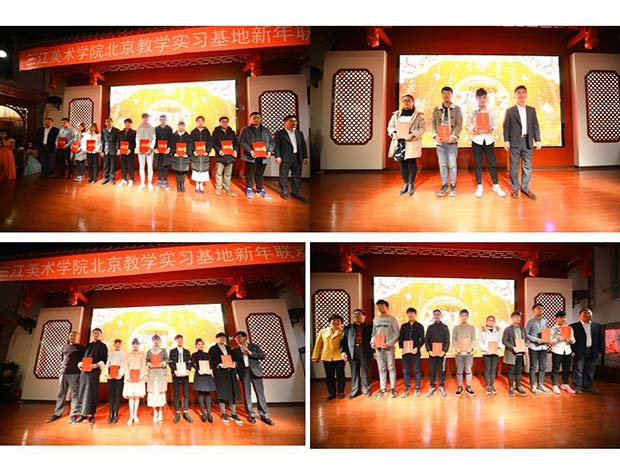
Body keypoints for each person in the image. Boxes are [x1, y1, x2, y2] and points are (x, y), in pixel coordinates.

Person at [503, 85, 542, 200]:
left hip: (527, 141)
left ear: (526, 95)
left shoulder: (531, 110)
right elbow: (506, 127)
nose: (521, 94)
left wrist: (538, 139)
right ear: (514, 95)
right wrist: (506, 140)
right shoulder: (510, 111)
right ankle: (515, 188)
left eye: (523, 92)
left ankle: (525, 188)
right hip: (515, 141)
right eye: (518, 92)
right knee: (514, 166)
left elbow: (535, 125)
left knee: (527, 166)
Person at [465, 88, 505, 197]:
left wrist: (492, 128)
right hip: (476, 140)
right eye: (479, 98)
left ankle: (495, 185)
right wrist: (473, 129)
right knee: (478, 164)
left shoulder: (491, 112)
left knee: (492, 163)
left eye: (484, 97)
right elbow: (467, 125)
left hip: (489, 140)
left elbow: (495, 124)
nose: (482, 100)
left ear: (486, 98)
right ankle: (479, 186)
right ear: (476, 99)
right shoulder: (472, 112)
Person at [387, 94, 426, 196]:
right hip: (400, 141)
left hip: (411, 141)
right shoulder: (396, 115)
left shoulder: (418, 115)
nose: (406, 102)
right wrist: (393, 133)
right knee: (402, 162)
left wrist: (413, 134)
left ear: (413, 102)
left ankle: (411, 184)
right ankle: (405, 183)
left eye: (408, 100)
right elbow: (390, 126)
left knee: (411, 162)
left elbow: (422, 128)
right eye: (404, 101)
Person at [233, 331, 275, 425]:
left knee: (260, 394)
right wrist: (236, 373)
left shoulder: (254, 346)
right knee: (247, 395)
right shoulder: (235, 350)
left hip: (256, 372)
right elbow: (235, 363)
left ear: (245, 337)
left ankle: (264, 415)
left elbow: (262, 356)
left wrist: (250, 352)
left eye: (239, 337)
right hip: (244, 373)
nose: (237, 339)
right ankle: (251, 414)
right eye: (236, 338)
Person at [46, 331, 83, 423]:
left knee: (75, 395)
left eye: (74, 336)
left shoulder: (81, 348)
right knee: (61, 394)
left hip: (75, 374)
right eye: (71, 335)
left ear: (78, 338)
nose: (72, 337)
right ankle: (57, 413)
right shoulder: (65, 346)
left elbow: (83, 361)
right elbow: (63, 359)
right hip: (63, 373)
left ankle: (73, 415)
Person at [431, 86, 462, 197]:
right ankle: (444, 185)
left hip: (452, 141)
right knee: (442, 165)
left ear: (451, 95)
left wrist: (453, 136)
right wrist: (435, 136)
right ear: (441, 95)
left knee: (452, 165)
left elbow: (459, 124)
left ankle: (452, 185)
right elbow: (433, 123)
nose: (446, 95)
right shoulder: (436, 109)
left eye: (448, 93)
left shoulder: (457, 108)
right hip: (440, 142)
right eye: (444, 93)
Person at [74, 328, 108, 424]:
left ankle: (91, 414)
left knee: (92, 392)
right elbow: (82, 358)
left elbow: (104, 360)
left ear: (101, 335)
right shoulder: (87, 345)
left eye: (98, 333)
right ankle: (82, 414)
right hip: (84, 371)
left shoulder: (103, 346)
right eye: (94, 333)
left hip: (94, 372)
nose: (96, 334)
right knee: (82, 391)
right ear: (92, 334)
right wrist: (80, 364)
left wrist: (96, 365)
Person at [208, 332, 243, 425]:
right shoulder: (212, 349)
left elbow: (234, 359)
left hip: (230, 373)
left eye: (224, 338)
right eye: (220, 338)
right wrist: (219, 364)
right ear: (216, 339)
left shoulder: (228, 348)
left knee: (232, 393)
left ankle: (233, 414)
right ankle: (223, 413)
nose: (222, 339)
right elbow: (211, 360)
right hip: (220, 373)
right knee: (221, 393)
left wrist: (235, 363)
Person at [239, 112, 274, 200]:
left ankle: (260, 189)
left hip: (263, 156)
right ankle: (249, 188)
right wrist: (250, 150)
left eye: (258, 117)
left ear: (261, 119)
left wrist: (269, 151)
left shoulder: (266, 130)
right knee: (250, 173)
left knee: (260, 173)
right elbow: (241, 141)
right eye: (254, 118)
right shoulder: (245, 129)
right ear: (250, 119)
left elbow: (272, 142)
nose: (256, 119)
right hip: (250, 155)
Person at [340, 308, 373, 399]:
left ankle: (366, 390)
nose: (356, 316)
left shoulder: (370, 327)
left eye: (359, 314)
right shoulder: (348, 328)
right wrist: (343, 352)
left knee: (365, 371)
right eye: (355, 315)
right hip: (352, 351)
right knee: (354, 372)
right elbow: (343, 341)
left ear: (364, 316)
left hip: (365, 350)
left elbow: (373, 340)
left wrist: (374, 352)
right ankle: (355, 391)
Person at [274, 115, 308, 201]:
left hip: (297, 157)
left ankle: (295, 192)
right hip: (285, 157)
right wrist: (277, 156)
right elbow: (276, 146)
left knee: (297, 176)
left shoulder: (299, 133)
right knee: (283, 176)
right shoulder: (280, 133)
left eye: (295, 121)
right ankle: (284, 191)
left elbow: (303, 146)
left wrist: (305, 157)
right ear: (285, 123)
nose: (294, 123)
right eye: (292, 121)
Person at [570, 308, 604, 394]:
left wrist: (600, 351)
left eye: (589, 313)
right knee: (578, 369)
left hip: (592, 350)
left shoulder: (597, 326)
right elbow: (571, 340)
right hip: (579, 351)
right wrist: (572, 351)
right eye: (585, 314)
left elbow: (601, 340)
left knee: (590, 369)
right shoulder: (573, 326)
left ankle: (588, 386)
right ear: (580, 316)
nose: (587, 315)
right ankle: (578, 387)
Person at [311, 314, 345, 400]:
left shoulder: (343, 331)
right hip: (327, 356)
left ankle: (340, 392)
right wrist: (315, 356)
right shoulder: (323, 331)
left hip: (339, 356)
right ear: (330, 322)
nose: (336, 322)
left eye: (338, 320)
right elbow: (318, 344)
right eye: (334, 320)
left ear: (341, 322)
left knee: (340, 375)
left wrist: (347, 354)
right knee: (329, 376)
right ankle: (331, 393)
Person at [371, 300, 400, 398]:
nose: (380, 307)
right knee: (381, 368)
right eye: (378, 306)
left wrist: (389, 344)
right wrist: (372, 342)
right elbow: (373, 333)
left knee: (391, 367)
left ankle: (393, 388)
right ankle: (383, 388)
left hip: (389, 347)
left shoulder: (392, 319)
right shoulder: (375, 320)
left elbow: (397, 333)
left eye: (382, 305)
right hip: (378, 347)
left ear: (387, 307)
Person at [398, 307, 425, 397]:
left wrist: (417, 348)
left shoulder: (420, 326)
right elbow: (400, 338)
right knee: (406, 370)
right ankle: (406, 388)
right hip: (405, 352)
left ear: (415, 315)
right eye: (409, 313)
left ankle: (417, 388)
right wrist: (401, 348)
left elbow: (422, 339)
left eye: (412, 313)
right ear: (407, 314)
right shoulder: (404, 326)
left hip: (415, 352)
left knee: (417, 370)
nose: (410, 315)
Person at [525, 303, 551, 394]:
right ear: (534, 310)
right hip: (533, 347)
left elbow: (547, 332)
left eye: (542, 309)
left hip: (543, 347)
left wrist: (547, 339)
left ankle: (540, 384)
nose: (540, 310)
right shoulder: (530, 322)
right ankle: (533, 385)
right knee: (533, 367)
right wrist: (536, 340)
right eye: (538, 308)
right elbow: (526, 334)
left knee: (543, 366)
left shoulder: (545, 321)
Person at [425, 309, 450, 397]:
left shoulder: (445, 327)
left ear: (441, 316)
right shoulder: (430, 327)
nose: (436, 316)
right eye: (435, 314)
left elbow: (447, 341)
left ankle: (441, 386)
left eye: (438, 314)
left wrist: (444, 351)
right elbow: (426, 340)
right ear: (433, 316)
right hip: (432, 354)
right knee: (432, 371)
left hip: (442, 354)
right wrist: (429, 351)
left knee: (442, 370)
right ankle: (432, 387)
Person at [190, 338, 216, 423]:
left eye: (202, 344)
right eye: (199, 344)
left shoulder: (207, 354)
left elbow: (211, 363)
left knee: (208, 394)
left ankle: (209, 413)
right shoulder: (194, 355)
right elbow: (192, 364)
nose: (200, 346)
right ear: (196, 346)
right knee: (200, 393)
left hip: (207, 374)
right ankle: (203, 413)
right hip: (199, 374)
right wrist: (198, 369)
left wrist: (209, 368)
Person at [550, 311, 576, 395]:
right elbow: (550, 342)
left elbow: (573, 340)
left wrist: (571, 340)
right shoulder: (553, 329)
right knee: (555, 369)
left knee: (567, 369)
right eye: (561, 318)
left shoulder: (569, 328)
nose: (563, 319)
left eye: (564, 317)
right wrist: (559, 339)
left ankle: (565, 384)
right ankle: (554, 385)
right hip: (557, 350)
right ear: (556, 319)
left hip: (567, 351)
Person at [502, 311, 528, 397]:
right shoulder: (508, 329)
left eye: (519, 317)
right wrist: (513, 347)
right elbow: (504, 341)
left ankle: (518, 386)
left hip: (521, 353)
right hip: (512, 353)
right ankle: (511, 387)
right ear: (512, 318)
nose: (518, 319)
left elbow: (526, 340)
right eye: (516, 317)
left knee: (519, 371)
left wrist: (526, 346)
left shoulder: (523, 329)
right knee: (511, 371)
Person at [168, 334, 193, 423]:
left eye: (181, 339)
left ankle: (185, 412)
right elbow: (170, 362)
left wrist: (188, 370)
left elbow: (189, 362)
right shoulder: (172, 351)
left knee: (186, 393)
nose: (180, 341)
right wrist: (174, 370)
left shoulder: (187, 351)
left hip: (185, 375)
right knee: (176, 393)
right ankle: (177, 413)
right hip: (176, 374)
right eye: (178, 340)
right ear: (176, 341)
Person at [212, 116, 238, 197]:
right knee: (219, 173)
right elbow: (213, 143)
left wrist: (235, 150)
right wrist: (219, 150)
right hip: (220, 156)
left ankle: (227, 189)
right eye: (223, 121)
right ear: (220, 122)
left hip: (230, 156)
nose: (224, 123)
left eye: (226, 121)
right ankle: (218, 188)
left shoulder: (232, 132)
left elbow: (235, 143)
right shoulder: (216, 132)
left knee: (228, 174)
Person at [477, 315, 504, 395]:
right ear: (486, 322)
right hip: (487, 353)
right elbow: (480, 341)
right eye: (489, 320)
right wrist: (486, 349)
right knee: (487, 369)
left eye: (492, 320)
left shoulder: (497, 331)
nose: (491, 322)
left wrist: (498, 347)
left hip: (495, 352)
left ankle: (492, 385)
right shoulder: (482, 331)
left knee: (493, 369)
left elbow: (500, 341)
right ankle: (487, 385)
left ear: (494, 322)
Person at [453, 309, 476, 396]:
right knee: (459, 370)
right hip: (459, 353)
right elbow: (454, 339)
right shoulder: (456, 328)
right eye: (462, 315)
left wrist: (471, 348)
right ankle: (459, 387)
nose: (464, 317)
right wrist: (456, 348)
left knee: (468, 370)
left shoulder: (472, 327)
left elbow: (474, 338)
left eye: (465, 315)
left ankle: (468, 387)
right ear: (460, 317)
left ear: (468, 317)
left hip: (469, 353)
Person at [123, 338, 146, 425]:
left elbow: (143, 366)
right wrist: (128, 376)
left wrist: (141, 376)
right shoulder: (128, 354)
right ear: (132, 345)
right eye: (133, 344)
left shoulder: (142, 354)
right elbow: (126, 366)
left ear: (139, 345)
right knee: (131, 397)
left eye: (137, 344)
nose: (135, 345)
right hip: (130, 378)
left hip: (139, 378)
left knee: (137, 397)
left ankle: (135, 415)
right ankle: (131, 416)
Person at [146, 334, 168, 423]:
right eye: (154, 340)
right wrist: (149, 364)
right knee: (153, 394)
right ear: (152, 342)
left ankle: (161, 412)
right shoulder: (149, 351)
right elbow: (147, 361)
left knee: (161, 394)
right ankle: (155, 413)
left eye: (157, 340)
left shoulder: (163, 350)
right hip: (152, 375)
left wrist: (162, 364)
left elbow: (167, 359)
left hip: (161, 375)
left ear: (160, 342)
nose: (156, 342)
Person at [189, 115, 212, 194]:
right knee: (196, 169)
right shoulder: (193, 132)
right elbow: (190, 143)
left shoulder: (207, 132)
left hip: (204, 155)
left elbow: (210, 142)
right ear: (196, 122)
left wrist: (207, 151)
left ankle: (201, 185)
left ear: (204, 122)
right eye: (198, 121)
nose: (200, 123)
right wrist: (193, 151)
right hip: (196, 155)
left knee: (203, 170)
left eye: (202, 121)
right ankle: (197, 185)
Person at [105, 338, 126, 423]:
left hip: (119, 376)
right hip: (110, 376)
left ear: (121, 345)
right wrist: (107, 374)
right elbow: (107, 364)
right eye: (116, 343)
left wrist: (120, 374)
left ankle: (115, 414)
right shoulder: (110, 354)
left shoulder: (124, 354)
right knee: (111, 395)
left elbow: (124, 364)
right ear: (114, 345)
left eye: (119, 344)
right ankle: (110, 414)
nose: (117, 345)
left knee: (117, 395)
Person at [135, 112, 156, 191]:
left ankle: (150, 183)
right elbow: (137, 138)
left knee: (150, 167)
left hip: (149, 151)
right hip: (141, 150)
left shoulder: (152, 128)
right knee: (141, 167)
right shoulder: (138, 127)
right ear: (142, 118)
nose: (145, 119)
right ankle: (142, 183)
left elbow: (154, 138)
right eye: (144, 118)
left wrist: (151, 147)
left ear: (148, 118)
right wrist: (138, 146)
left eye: (146, 118)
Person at [170, 121, 192, 193]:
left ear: (184, 127)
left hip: (185, 156)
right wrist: (174, 152)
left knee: (184, 171)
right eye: (180, 126)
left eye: (182, 126)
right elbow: (171, 145)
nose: (181, 127)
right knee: (177, 170)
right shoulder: (173, 136)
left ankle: (182, 184)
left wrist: (187, 153)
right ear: (178, 126)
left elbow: (190, 146)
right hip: (176, 156)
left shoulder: (188, 136)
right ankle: (178, 184)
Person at [154, 114, 174, 190]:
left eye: (164, 119)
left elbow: (171, 140)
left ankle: (165, 182)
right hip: (158, 151)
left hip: (166, 151)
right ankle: (159, 181)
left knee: (165, 167)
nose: (163, 121)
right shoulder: (156, 129)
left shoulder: (169, 129)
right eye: (161, 119)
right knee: (159, 166)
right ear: (159, 120)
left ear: (166, 120)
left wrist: (169, 148)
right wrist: (155, 148)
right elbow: (155, 139)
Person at [117, 118, 136, 188]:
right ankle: (124, 179)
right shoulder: (120, 132)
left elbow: (135, 143)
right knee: (123, 166)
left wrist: (130, 149)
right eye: (126, 123)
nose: (127, 124)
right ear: (124, 124)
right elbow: (118, 142)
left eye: (128, 123)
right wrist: (118, 149)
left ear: (131, 124)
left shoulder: (134, 132)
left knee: (130, 166)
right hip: (122, 152)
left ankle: (131, 180)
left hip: (130, 152)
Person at [101, 117, 120, 185]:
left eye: (109, 121)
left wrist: (118, 149)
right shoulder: (104, 130)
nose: (108, 123)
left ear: (112, 122)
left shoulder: (116, 130)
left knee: (112, 165)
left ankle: (112, 178)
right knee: (105, 165)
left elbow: (118, 141)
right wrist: (101, 151)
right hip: (106, 150)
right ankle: (105, 178)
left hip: (113, 149)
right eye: (106, 122)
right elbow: (102, 141)